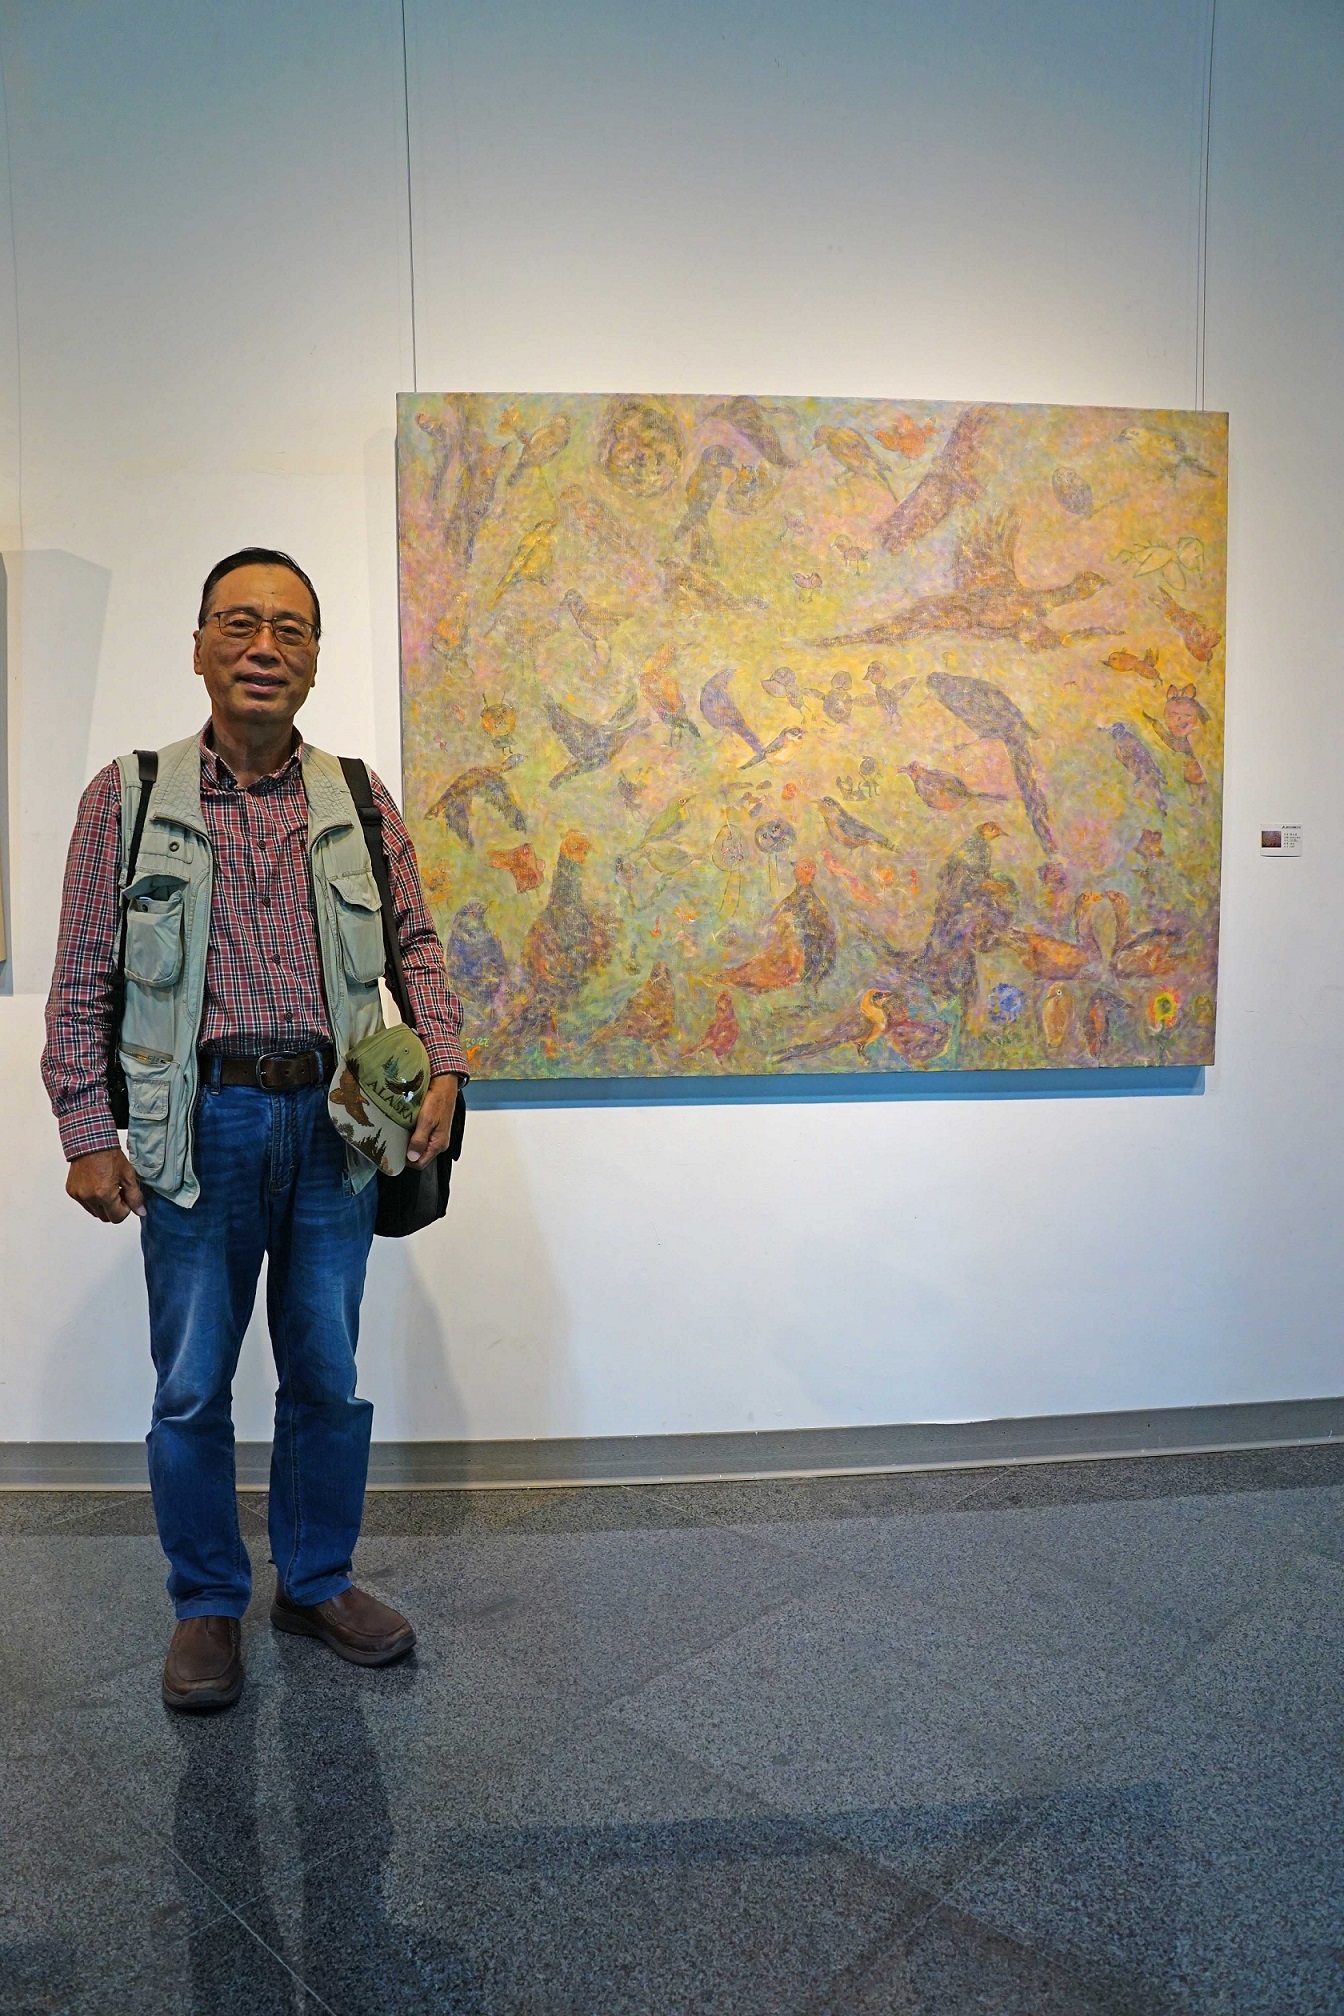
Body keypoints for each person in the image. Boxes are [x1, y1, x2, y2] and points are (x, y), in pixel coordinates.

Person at [42, 547, 467, 1712]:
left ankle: (315, 1581)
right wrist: (85, 1128)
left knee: (326, 1374)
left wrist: (445, 1062)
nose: (264, 647)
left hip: (341, 1123)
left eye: (289, 628)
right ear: (198, 646)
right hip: (199, 1124)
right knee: (191, 1385)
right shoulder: (129, 797)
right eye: (239, 623)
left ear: (316, 657)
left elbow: (416, 945)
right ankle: (206, 1603)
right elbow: (80, 977)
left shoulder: (358, 796)